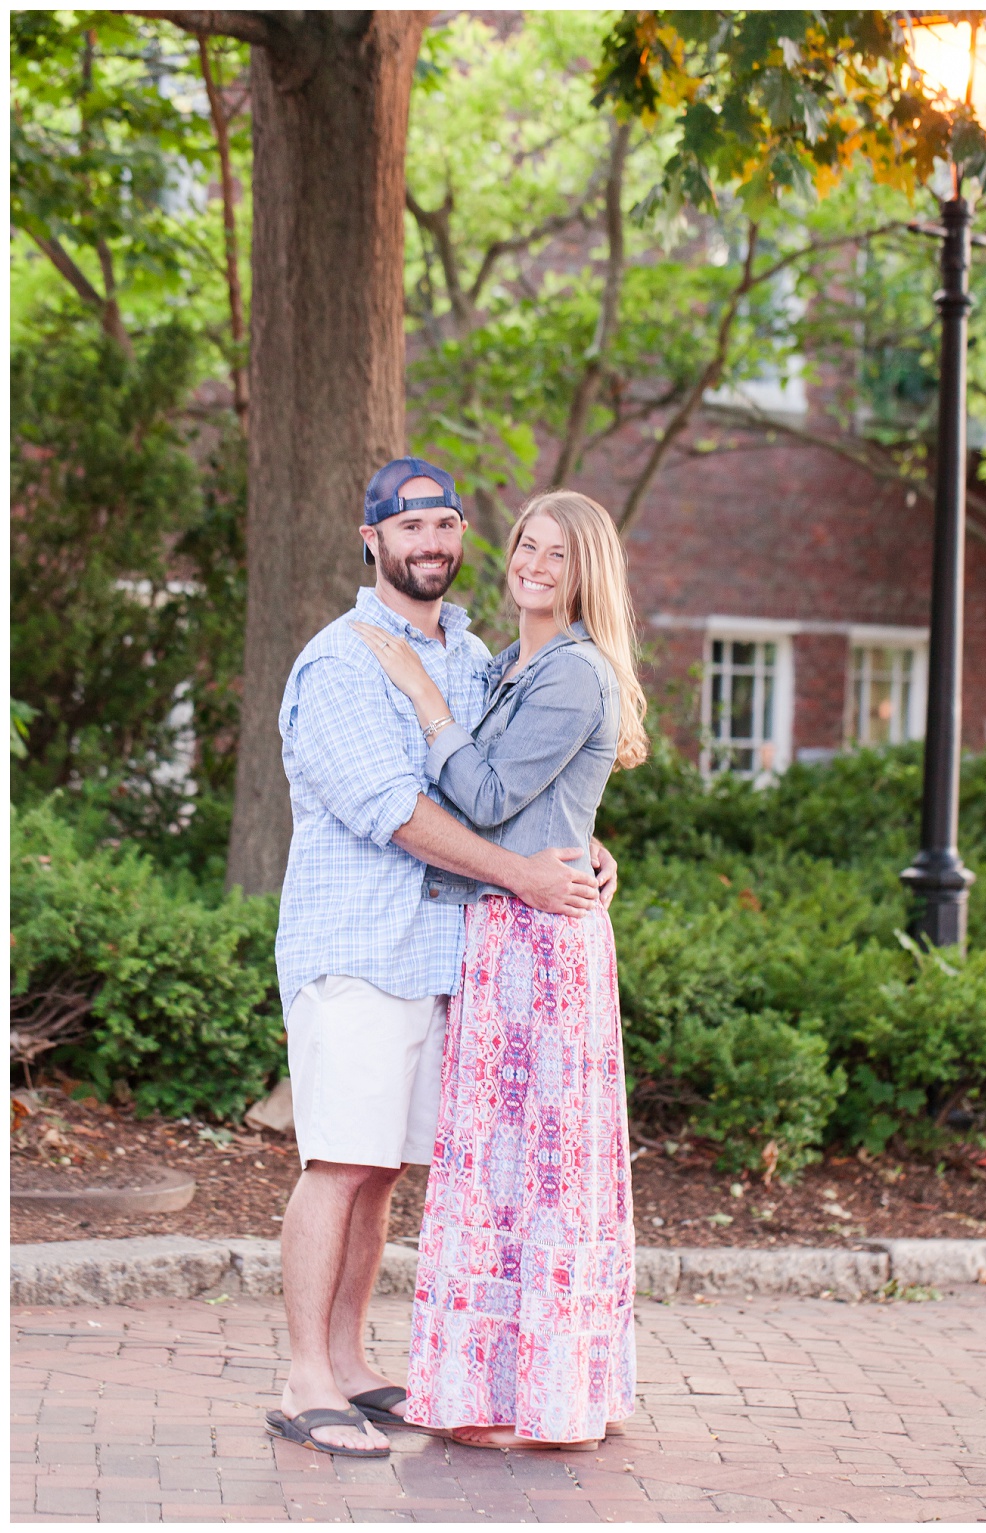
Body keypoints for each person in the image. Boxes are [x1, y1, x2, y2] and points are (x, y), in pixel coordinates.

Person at [269, 458, 617, 1459]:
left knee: (380, 1174)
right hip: (360, 948)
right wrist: (523, 875)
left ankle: (349, 1361)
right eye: (407, 526)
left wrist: (582, 848)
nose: (430, 543)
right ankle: (304, 1380)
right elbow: (402, 816)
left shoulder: (468, 654)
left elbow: (515, 778)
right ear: (370, 539)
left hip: (443, 957)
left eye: (446, 525)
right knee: (338, 1163)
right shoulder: (344, 660)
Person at [350, 489, 649, 1451]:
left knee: (538, 1170)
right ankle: (505, 1389)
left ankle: (536, 1399)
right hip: (507, 927)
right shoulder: (513, 661)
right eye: (526, 542)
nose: (532, 562)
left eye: (556, 554)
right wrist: (587, 838)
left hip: (540, 945)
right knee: (498, 1167)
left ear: (585, 572)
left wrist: (424, 697)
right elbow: (543, 802)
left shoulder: (571, 674)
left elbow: (480, 797)